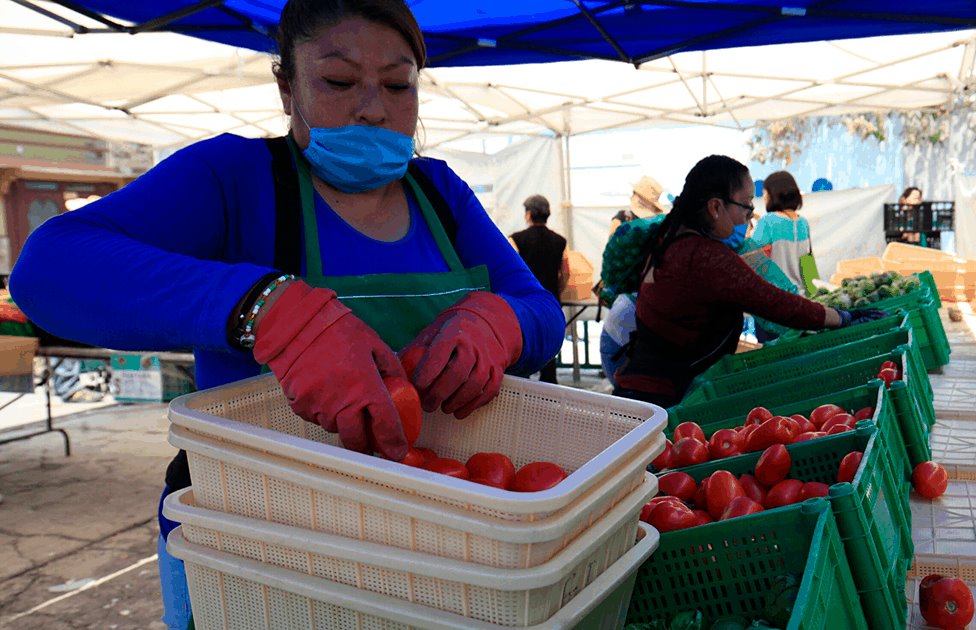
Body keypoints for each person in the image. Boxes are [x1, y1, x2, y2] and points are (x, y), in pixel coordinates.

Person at [8, 1, 564, 627]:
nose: (374, 107)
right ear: (286, 86)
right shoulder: (234, 179)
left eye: (397, 84)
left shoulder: (441, 193)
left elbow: (541, 312)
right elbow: (48, 269)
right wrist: (262, 309)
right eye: (338, 81)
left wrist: (500, 324)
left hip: (430, 536)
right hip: (255, 553)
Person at [611, 155, 884, 408]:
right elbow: (773, 302)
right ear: (716, 207)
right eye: (746, 205)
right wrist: (842, 317)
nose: (749, 215)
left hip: (643, 385)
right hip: (665, 397)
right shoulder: (704, 256)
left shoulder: (669, 238)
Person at [508, 194, 569, 383]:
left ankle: (523, 383)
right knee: (550, 344)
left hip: (524, 303)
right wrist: (557, 290)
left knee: (523, 343)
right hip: (550, 300)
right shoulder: (560, 241)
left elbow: (510, 271)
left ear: (528, 214)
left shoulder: (516, 240)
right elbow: (566, 272)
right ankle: (550, 387)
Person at [751, 171, 813, 296]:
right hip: (801, 298)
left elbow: (751, 260)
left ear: (772, 194)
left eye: (765, 193)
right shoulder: (803, 223)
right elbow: (808, 267)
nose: (764, 197)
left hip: (776, 298)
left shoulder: (767, 221)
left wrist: (749, 232)